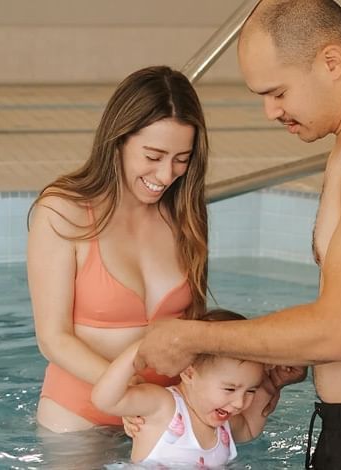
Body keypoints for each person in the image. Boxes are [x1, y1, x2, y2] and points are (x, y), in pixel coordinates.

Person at [132, 1, 341, 468]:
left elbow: (337, 333)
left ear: (330, 62)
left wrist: (195, 339)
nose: (270, 111)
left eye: (277, 92)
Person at [26, 65, 210, 464]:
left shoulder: (183, 214)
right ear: (119, 139)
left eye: (182, 159)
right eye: (153, 156)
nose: (166, 174)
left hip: (168, 416)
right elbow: (52, 338)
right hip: (80, 417)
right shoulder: (63, 211)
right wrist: (133, 397)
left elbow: (194, 326)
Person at [93, 309, 293, 467]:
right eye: (230, 389)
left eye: (251, 390)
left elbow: (249, 429)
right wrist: (143, 348)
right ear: (189, 374)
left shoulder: (223, 424)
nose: (240, 403)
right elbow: (105, 400)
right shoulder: (164, 406)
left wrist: (271, 385)